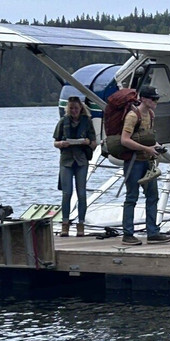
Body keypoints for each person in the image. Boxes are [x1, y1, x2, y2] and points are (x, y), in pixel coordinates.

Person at [119, 85, 170, 245]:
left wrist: (156, 146)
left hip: (147, 162)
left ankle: (153, 232)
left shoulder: (151, 114)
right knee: (132, 197)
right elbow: (124, 140)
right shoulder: (132, 116)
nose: (155, 101)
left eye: (156, 99)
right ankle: (127, 234)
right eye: (152, 98)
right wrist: (147, 149)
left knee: (152, 196)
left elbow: (147, 137)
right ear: (143, 99)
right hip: (134, 162)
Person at [53, 95, 97, 237]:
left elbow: (94, 144)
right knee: (66, 193)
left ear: (81, 108)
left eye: (76, 108)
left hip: (81, 161)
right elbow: (55, 142)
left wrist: (87, 142)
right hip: (66, 161)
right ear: (68, 109)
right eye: (71, 108)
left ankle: (81, 224)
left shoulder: (87, 122)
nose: (74, 111)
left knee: (82, 193)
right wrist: (62, 144)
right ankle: (65, 224)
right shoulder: (62, 122)